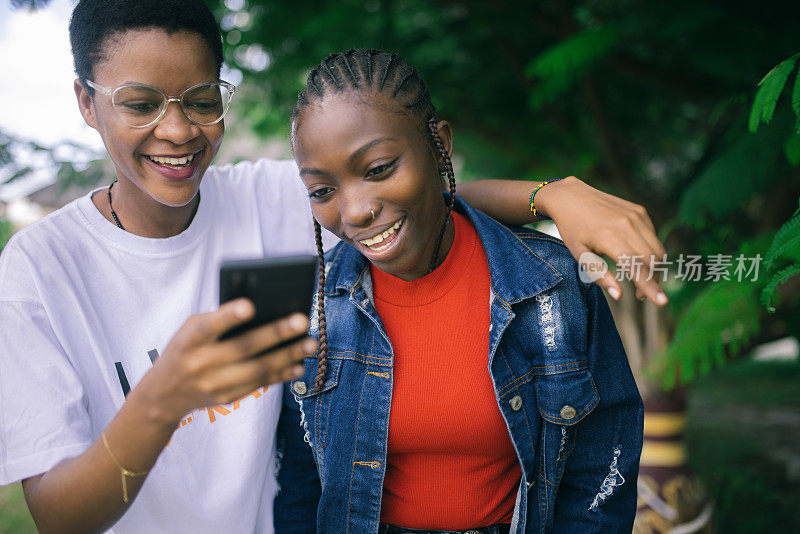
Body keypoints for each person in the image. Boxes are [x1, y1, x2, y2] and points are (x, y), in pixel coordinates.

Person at [0, 1, 662, 533]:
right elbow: (59, 517)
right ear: (87, 102)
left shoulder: (269, 202)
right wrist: (163, 396)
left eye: (201, 100)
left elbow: (399, 193)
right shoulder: (37, 269)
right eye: (140, 104)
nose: (178, 131)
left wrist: (552, 195)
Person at [281, 49, 643, 533]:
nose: (355, 211)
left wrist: (553, 194)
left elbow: (601, 465)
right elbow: (303, 480)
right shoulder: (313, 305)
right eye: (323, 191)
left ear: (439, 145)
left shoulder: (549, 283)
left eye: (379, 168)